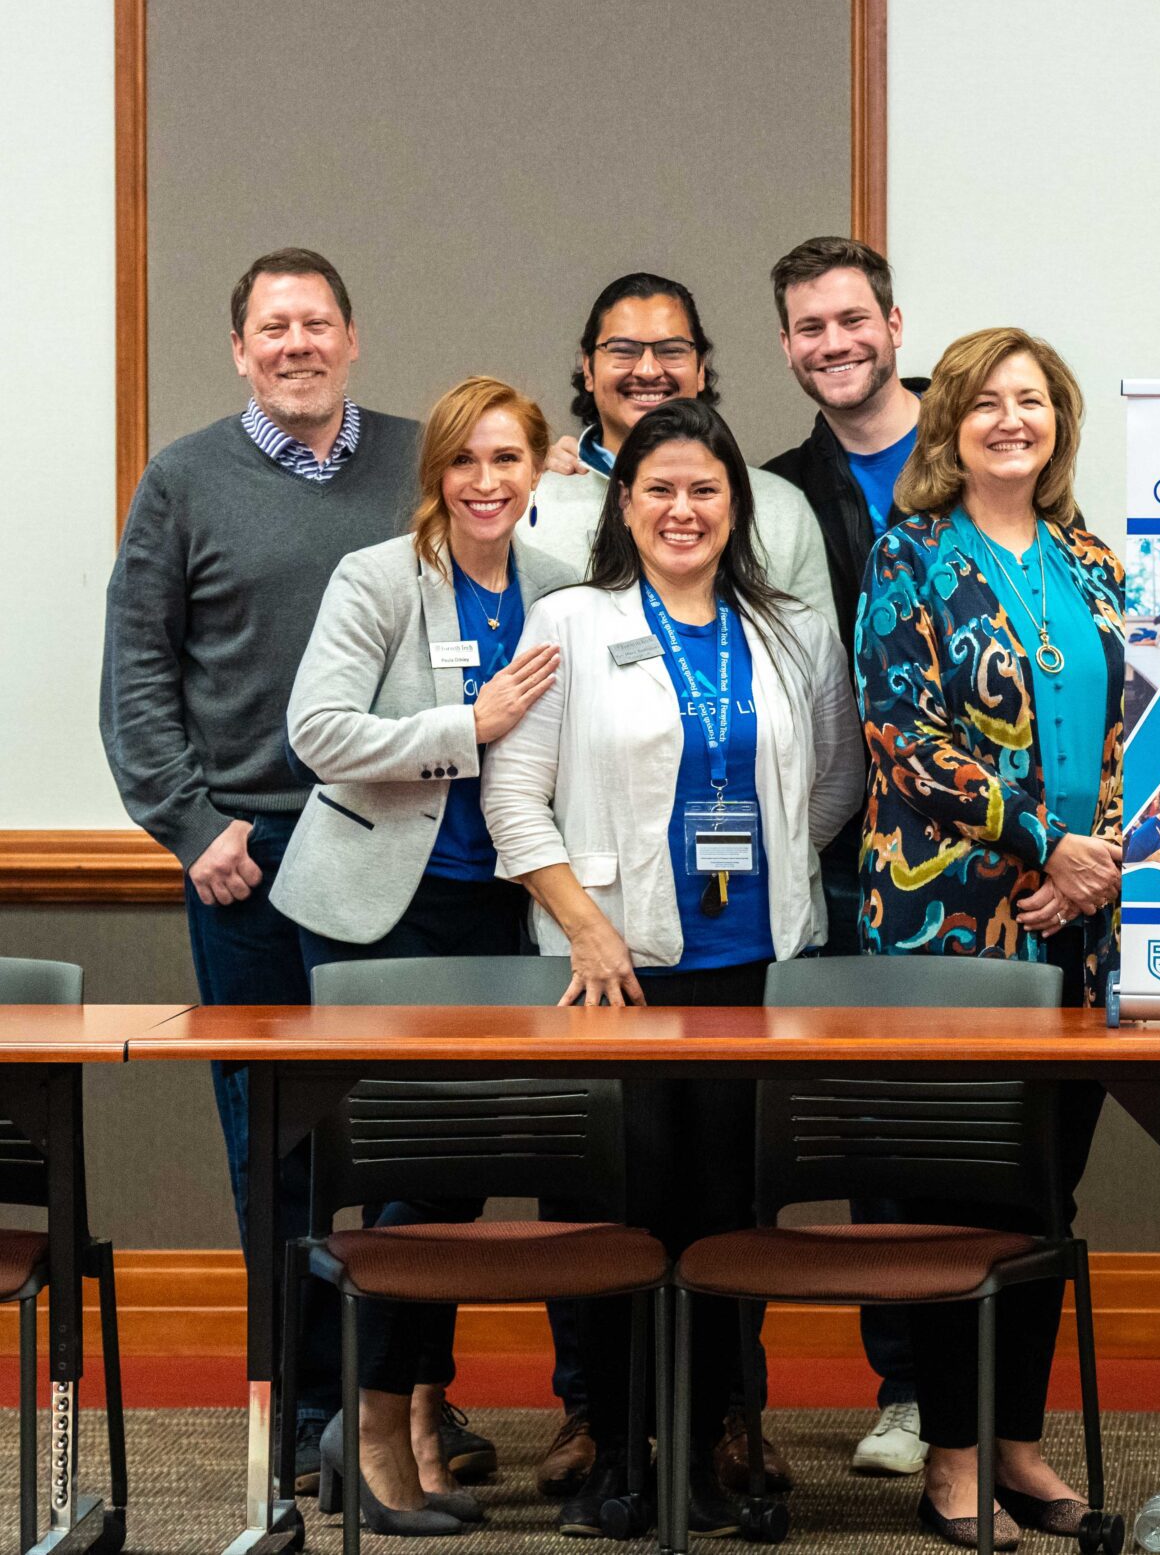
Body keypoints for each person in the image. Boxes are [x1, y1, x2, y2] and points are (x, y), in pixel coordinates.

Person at [482, 398, 863, 1537]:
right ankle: (615, 1448)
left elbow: (834, 782)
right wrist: (584, 924)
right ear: (626, 505)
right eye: (659, 489)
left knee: (725, 1217)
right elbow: (512, 795)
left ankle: (712, 1440)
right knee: (618, 1216)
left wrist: (779, 869)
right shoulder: (572, 617)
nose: (682, 509)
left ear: (734, 503)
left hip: (757, 973)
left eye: (704, 489)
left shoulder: (793, 626)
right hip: (617, 974)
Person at [100, 247, 422, 1490]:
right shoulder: (183, 479)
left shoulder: (415, 459)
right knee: (274, 1150)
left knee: (401, 1147)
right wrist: (192, 830)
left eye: (318, 323)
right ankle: (297, 1412)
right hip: (246, 862)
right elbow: (137, 677)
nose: (297, 344)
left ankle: (389, 1406)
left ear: (351, 338)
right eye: (272, 327)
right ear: (240, 349)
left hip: (395, 849)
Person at [267, 375, 573, 1532]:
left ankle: (409, 1431)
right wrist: (469, 729)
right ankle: (371, 1432)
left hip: (496, 919)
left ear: (538, 470)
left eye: (507, 459)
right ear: (435, 474)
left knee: (452, 1185)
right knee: (392, 1183)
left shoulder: (556, 588)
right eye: (464, 462)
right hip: (377, 919)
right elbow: (319, 733)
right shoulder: (379, 578)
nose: (486, 482)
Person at [853, 327, 1125, 1550]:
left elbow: (1144, 722)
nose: (1013, 420)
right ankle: (952, 1458)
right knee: (955, 1193)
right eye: (989, 403)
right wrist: (1038, 842)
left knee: (1043, 1196)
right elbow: (903, 736)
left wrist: (1094, 863)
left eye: (1036, 402)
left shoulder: (1096, 558)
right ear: (949, 422)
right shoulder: (906, 556)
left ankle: (1017, 1442)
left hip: (1078, 932)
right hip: (947, 923)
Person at [752, 234, 931, 1479]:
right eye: (809, 327)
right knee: (876, 1132)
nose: (833, 344)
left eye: (851, 319)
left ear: (895, 323)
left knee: (973, 1133)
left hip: (983, 862)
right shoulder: (770, 490)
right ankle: (907, 1391)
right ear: (786, 346)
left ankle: (982, 1394)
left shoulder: (987, 447)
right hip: (834, 855)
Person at [522, 270, 837, 621]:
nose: (646, 370)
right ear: (589, 369)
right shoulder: (529, 505)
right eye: (623, 350)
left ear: (701, 367)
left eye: (671, 350)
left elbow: (817, 665)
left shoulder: (781, 509)